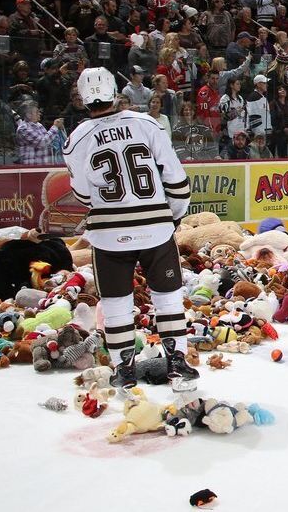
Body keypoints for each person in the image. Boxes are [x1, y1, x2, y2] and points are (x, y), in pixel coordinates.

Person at [63, 67, 198, 393]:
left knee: (116, 306)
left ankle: (123, 371)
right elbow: (177, 182)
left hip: (109, 235)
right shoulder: (147, 124)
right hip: (156, 228)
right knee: (168, 300)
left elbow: (82, 195)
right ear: (114, 91)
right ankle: (177, 365)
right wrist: (173, 218)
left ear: (83, 98)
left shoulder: (76, 139)